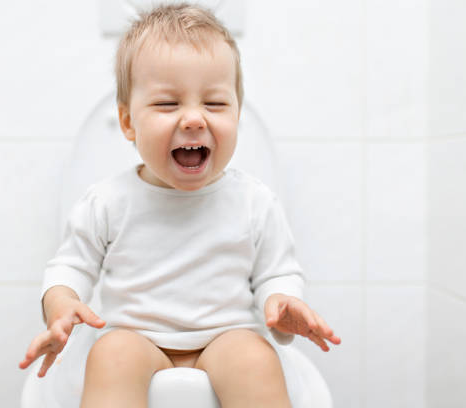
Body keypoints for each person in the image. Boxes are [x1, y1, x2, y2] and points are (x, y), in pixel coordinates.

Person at [19, 3, 341, 407]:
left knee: (254, 358)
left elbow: (277, 271)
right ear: (127, 122)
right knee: (111, 353)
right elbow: (69, 266)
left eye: (216, 104)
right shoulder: (108, 202)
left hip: (226, 337)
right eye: (168, 104)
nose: (193, 119)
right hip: (137, 338)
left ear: (238, 117)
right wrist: (62, 306)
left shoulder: (254, 202)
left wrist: (282, 301)